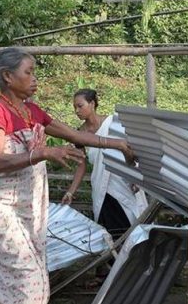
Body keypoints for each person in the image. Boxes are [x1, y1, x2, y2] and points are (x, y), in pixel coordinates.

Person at [0, 48, 135, 304]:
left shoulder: (33, 112)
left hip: (29, 208)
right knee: (30, 274)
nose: (35, 79)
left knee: (1, 272)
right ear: (8, 77)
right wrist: (43, 152)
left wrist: (119, 145)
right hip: (2, 206)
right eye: (28, 73)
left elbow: (77, 136)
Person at [62, 89, 148, 240]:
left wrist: (135, 176)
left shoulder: (115, 123)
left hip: (123, 183)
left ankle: (132, 261)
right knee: (109, 233)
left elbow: (133, 151)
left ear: (92, 104)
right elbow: (81, 165)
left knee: (131, 227)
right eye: (74, 107)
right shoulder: (79, 134)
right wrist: (71, 192)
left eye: (80, 106)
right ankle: (114, 262)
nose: (77, 111)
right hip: (102, 189)